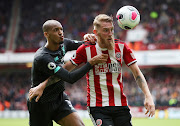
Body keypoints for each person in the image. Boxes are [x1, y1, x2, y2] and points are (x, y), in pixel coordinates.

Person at [29, 15, 155, 126]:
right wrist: (42, 85)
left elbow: (137, 73)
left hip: (118, 105)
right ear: (97, 32)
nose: (110, 33)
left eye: (111, 30)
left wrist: (148, 96)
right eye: (106, 30)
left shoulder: (121, 47)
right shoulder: (45, 57)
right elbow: (67, 74)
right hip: (93, 107)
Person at [27, 19, 108, 126]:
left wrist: (89, 38)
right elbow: (70, 78)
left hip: (59, 98)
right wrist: (91, 62)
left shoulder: (64, 43)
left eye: (61, 29)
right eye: (56, 30)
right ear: (47, 34)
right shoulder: (42, 57)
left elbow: (85, 46)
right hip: (40, 103)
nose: (60, 32)